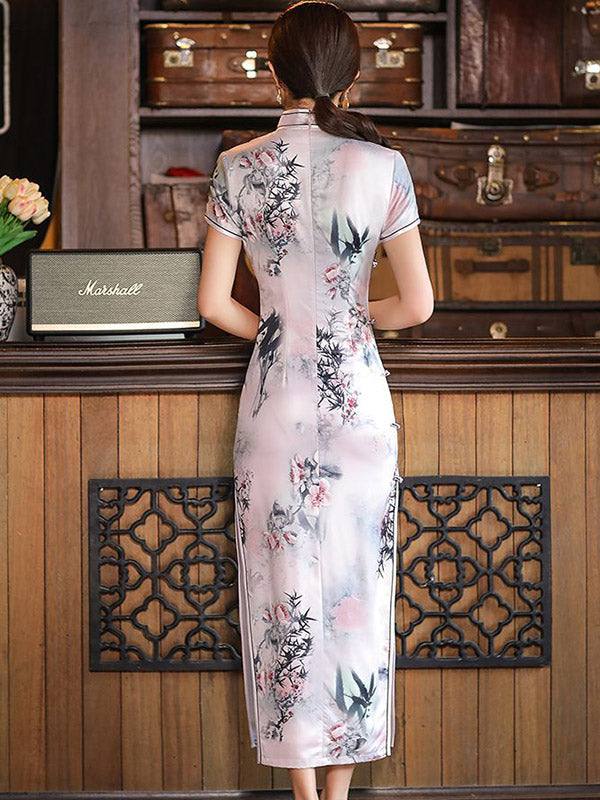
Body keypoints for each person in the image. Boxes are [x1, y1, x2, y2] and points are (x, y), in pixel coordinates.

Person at [197, 2, 434, 799]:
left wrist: (282, 328)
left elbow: (214, 305)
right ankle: (338, 795)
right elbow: (417, 306)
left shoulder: (238, 166)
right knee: (357, 595)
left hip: (276, 405)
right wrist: (344, 319)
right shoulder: (384, 166)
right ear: (353, 75)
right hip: (358, 401)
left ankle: (303, 797)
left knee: (283, 600)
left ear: (273, 72)